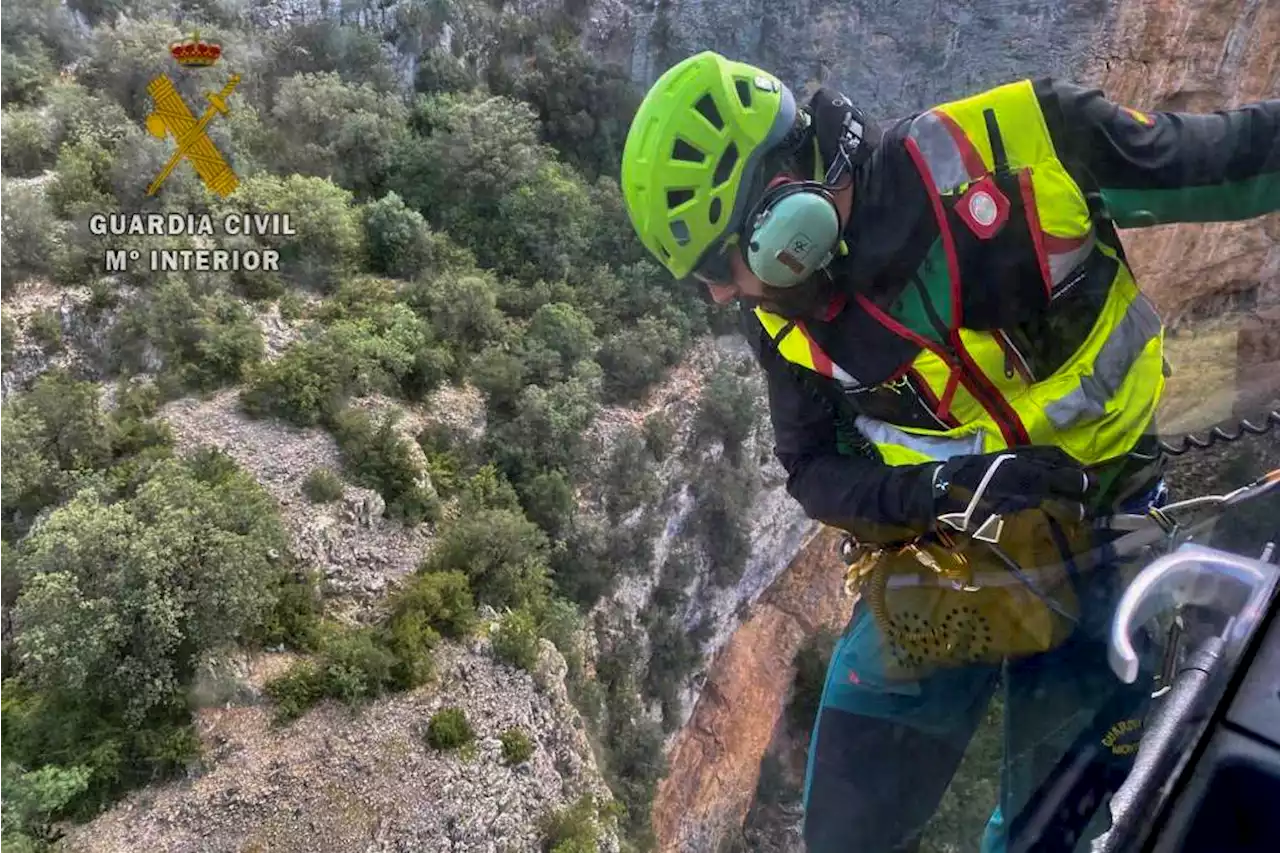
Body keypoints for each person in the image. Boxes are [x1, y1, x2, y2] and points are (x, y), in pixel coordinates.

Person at [619, 51, 1280, 852]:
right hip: (946, 557)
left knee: (1050, 831)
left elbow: (1239, 158)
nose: (723, 294)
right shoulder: (783, 314)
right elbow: (814, 472)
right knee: (843, 832)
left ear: (783, 209)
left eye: (723, 262)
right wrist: (947, 489)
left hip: (1104, 531)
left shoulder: (1024, 146)